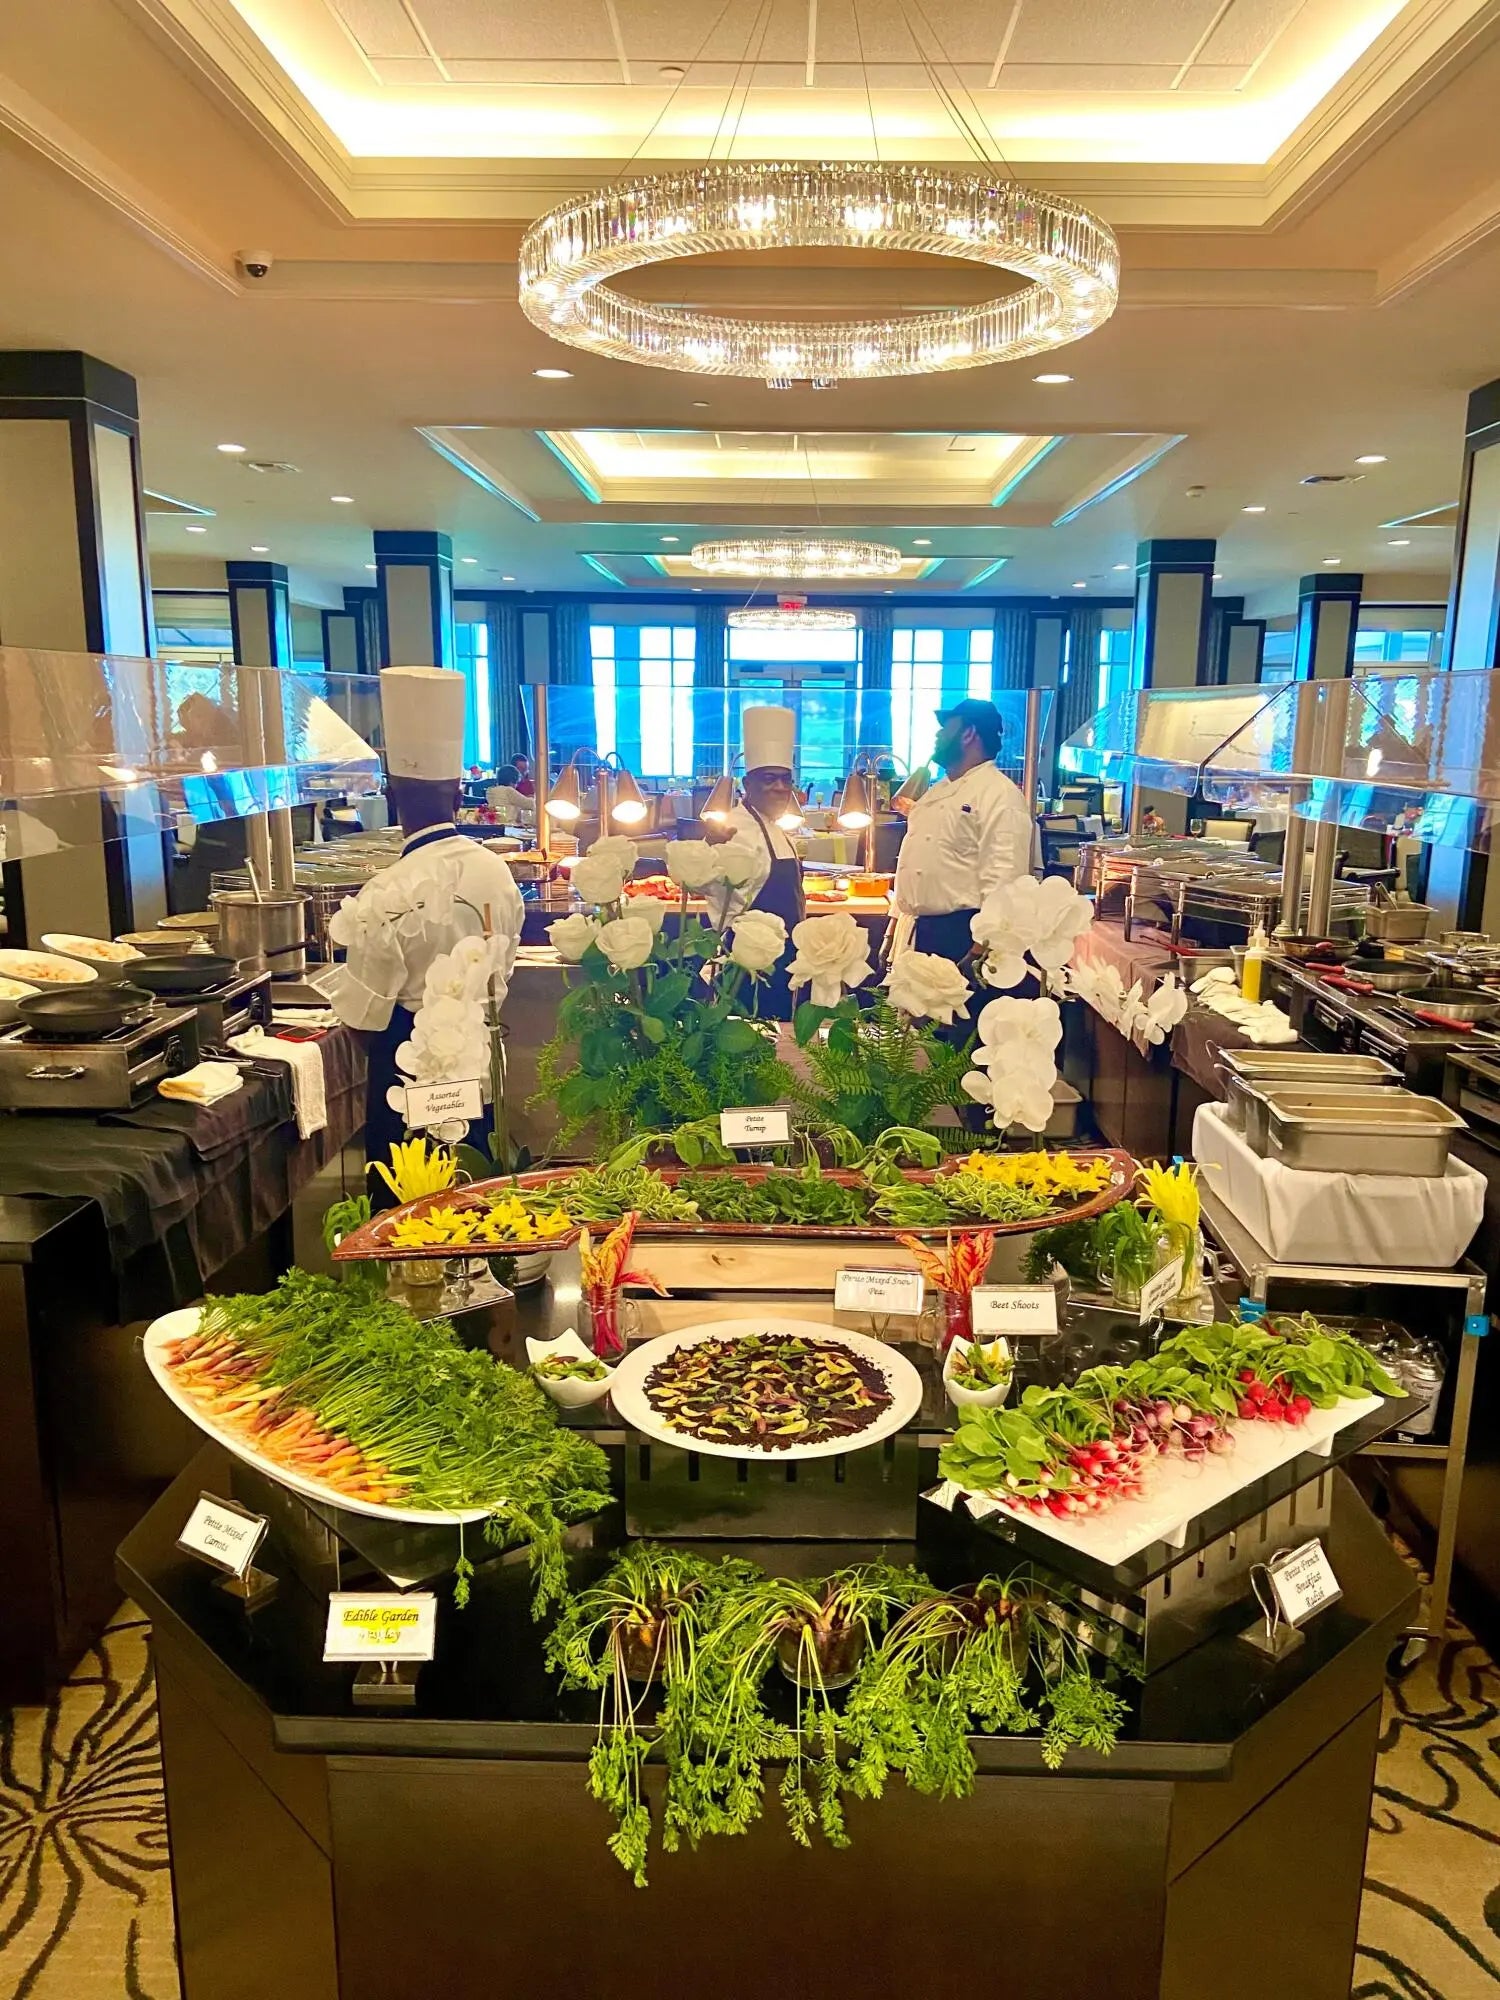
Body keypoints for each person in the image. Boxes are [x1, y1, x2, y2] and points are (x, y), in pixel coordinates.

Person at [327, 666, 525, 1182]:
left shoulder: (383, 893)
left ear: (392, 800)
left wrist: (414, 1047)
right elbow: (504, 966)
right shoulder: (497, 872)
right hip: (481, 1060)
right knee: (476, 1188)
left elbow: (363, 1019)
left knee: (408, 1199)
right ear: (459, 796)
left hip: (405, 1067)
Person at [892, 696, 1033, 985]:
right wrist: (894, 926)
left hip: (962, 937)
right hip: (920, 932)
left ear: (968, 733)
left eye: (946, 727)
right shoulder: (937, 790)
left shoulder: (1000, 794)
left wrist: (981, 949)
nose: (938, 734)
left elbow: (1005, 877)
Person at [703, 704, 805, 1018]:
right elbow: (710, 889)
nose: (780, 788)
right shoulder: (734, 828)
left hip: (783, 957)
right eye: (769, 779)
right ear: (747, 785)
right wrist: (710, 849)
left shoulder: (777, 827)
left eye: (786, 780)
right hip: (745, 962)